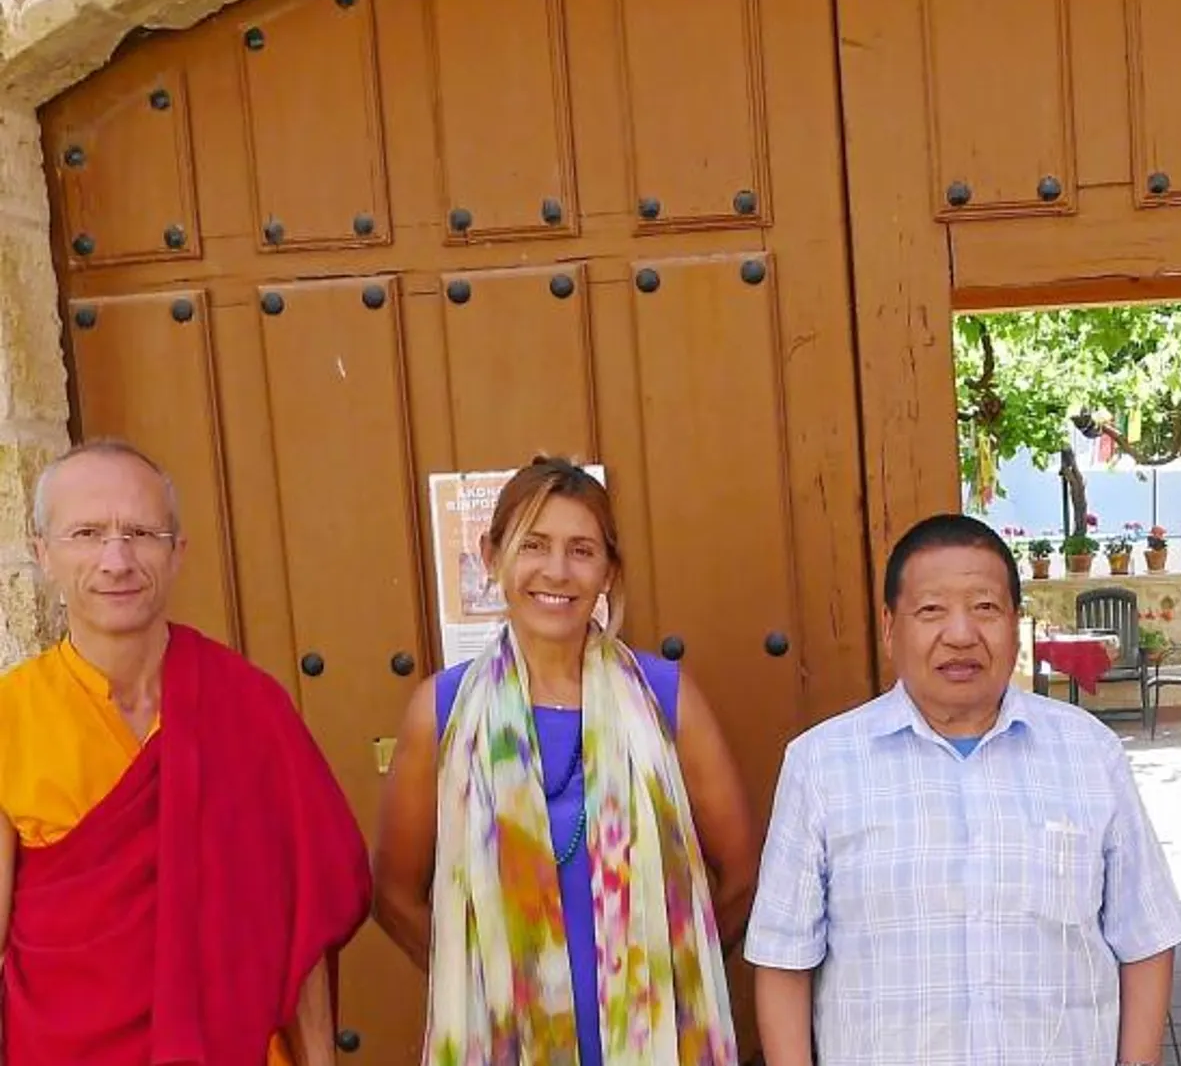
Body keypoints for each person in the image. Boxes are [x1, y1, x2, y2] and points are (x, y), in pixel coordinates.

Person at [745, 513, 1181, 1066]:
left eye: (985, 608)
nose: (961, 634)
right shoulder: (821, 765)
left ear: (1015, 622)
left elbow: (1145, 936)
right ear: (890, 628)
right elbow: (784, 958)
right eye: (931, 610)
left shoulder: (1088, 753)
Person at [372, 455, 756, 1065]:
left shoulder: (666, 701)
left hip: (656, 1042)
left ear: (608, 571)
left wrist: (677, 974)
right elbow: (394, 894)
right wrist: (483, 985)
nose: (557, 570)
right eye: (533, 544)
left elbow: (739, 875)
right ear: (491, 555)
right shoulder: (441, 712)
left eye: (581, 550)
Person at [0, 438, 370, 1066]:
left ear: (177, 554)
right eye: (86, 533)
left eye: (141, 532)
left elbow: (301, 928)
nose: (116, 559)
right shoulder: (12, 717)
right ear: (43, 555)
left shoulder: (250, 708)